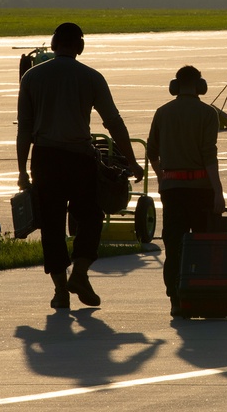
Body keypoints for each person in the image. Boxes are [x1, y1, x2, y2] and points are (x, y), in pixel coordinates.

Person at [16, 22, 144, 309]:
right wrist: (133, 162)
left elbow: (24, 128)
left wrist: (22, 170)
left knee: (51, 224)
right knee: (90, 218)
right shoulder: (91, 77)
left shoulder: (32, 77)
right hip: (79, 158)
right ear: (80, 46)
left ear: (54, 44)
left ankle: (61, 290)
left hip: (45, 159)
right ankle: (81, 273)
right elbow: (113, 122)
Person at [146, 65, 226, 317]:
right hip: (201, 190)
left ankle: (176, 299)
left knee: (173, 245)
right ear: (200, 85)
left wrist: (162, 177)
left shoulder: (162, 112)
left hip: (172, 191)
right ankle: (200, 296)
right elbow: (209, 155)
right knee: (201, 246)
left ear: (175, 86)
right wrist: (218, 191)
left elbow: (151, 152)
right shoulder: (208, 114)